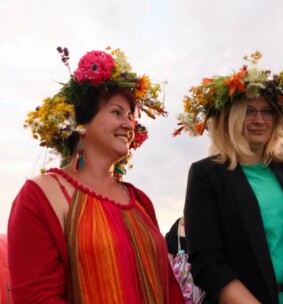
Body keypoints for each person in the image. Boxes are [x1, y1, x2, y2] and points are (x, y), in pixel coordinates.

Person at [8, 47, 183, 303]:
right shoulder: (41, 195)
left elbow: (169, 289)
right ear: (81, 123)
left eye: (130, 116)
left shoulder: (140, 201)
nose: (128, 124)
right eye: (116, 112)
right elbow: (37, 297)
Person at [175, 52, 283, 304]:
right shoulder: (206, 174)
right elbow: (207, 262)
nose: (259, 120)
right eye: (249, 111)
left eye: (267, 111)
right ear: (230, 118)